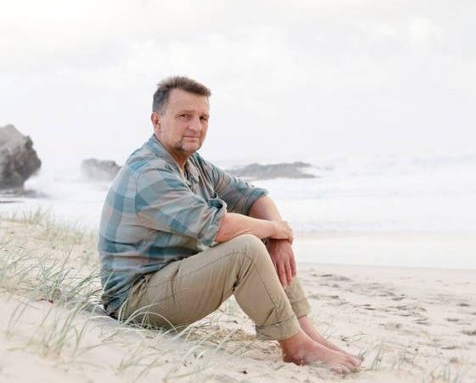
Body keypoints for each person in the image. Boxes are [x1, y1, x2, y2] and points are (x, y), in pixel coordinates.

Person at [98, 76, 361, 374]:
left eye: (203, 117)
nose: (196, 126)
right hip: (135, 301)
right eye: (184, 116)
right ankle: (295, 346)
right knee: (247, 245)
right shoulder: (149, 172)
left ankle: (306, 332)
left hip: (166, 283)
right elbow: (219, 227)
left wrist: (278, 236)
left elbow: (252, 197)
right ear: (157, 121)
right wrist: (276, 230)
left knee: (258, 231)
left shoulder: (193, 163)